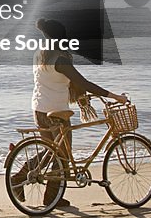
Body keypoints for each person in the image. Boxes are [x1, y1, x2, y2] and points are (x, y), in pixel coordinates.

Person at [13, 18, 128, 208]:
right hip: (57, 112)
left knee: (51, 151)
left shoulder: (39, 54)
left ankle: (20, 178)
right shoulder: (60, 59)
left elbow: (54, 82)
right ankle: (51, 198)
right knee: (62, 156)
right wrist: (115, 96)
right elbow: (84, 83)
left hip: (39, 108)